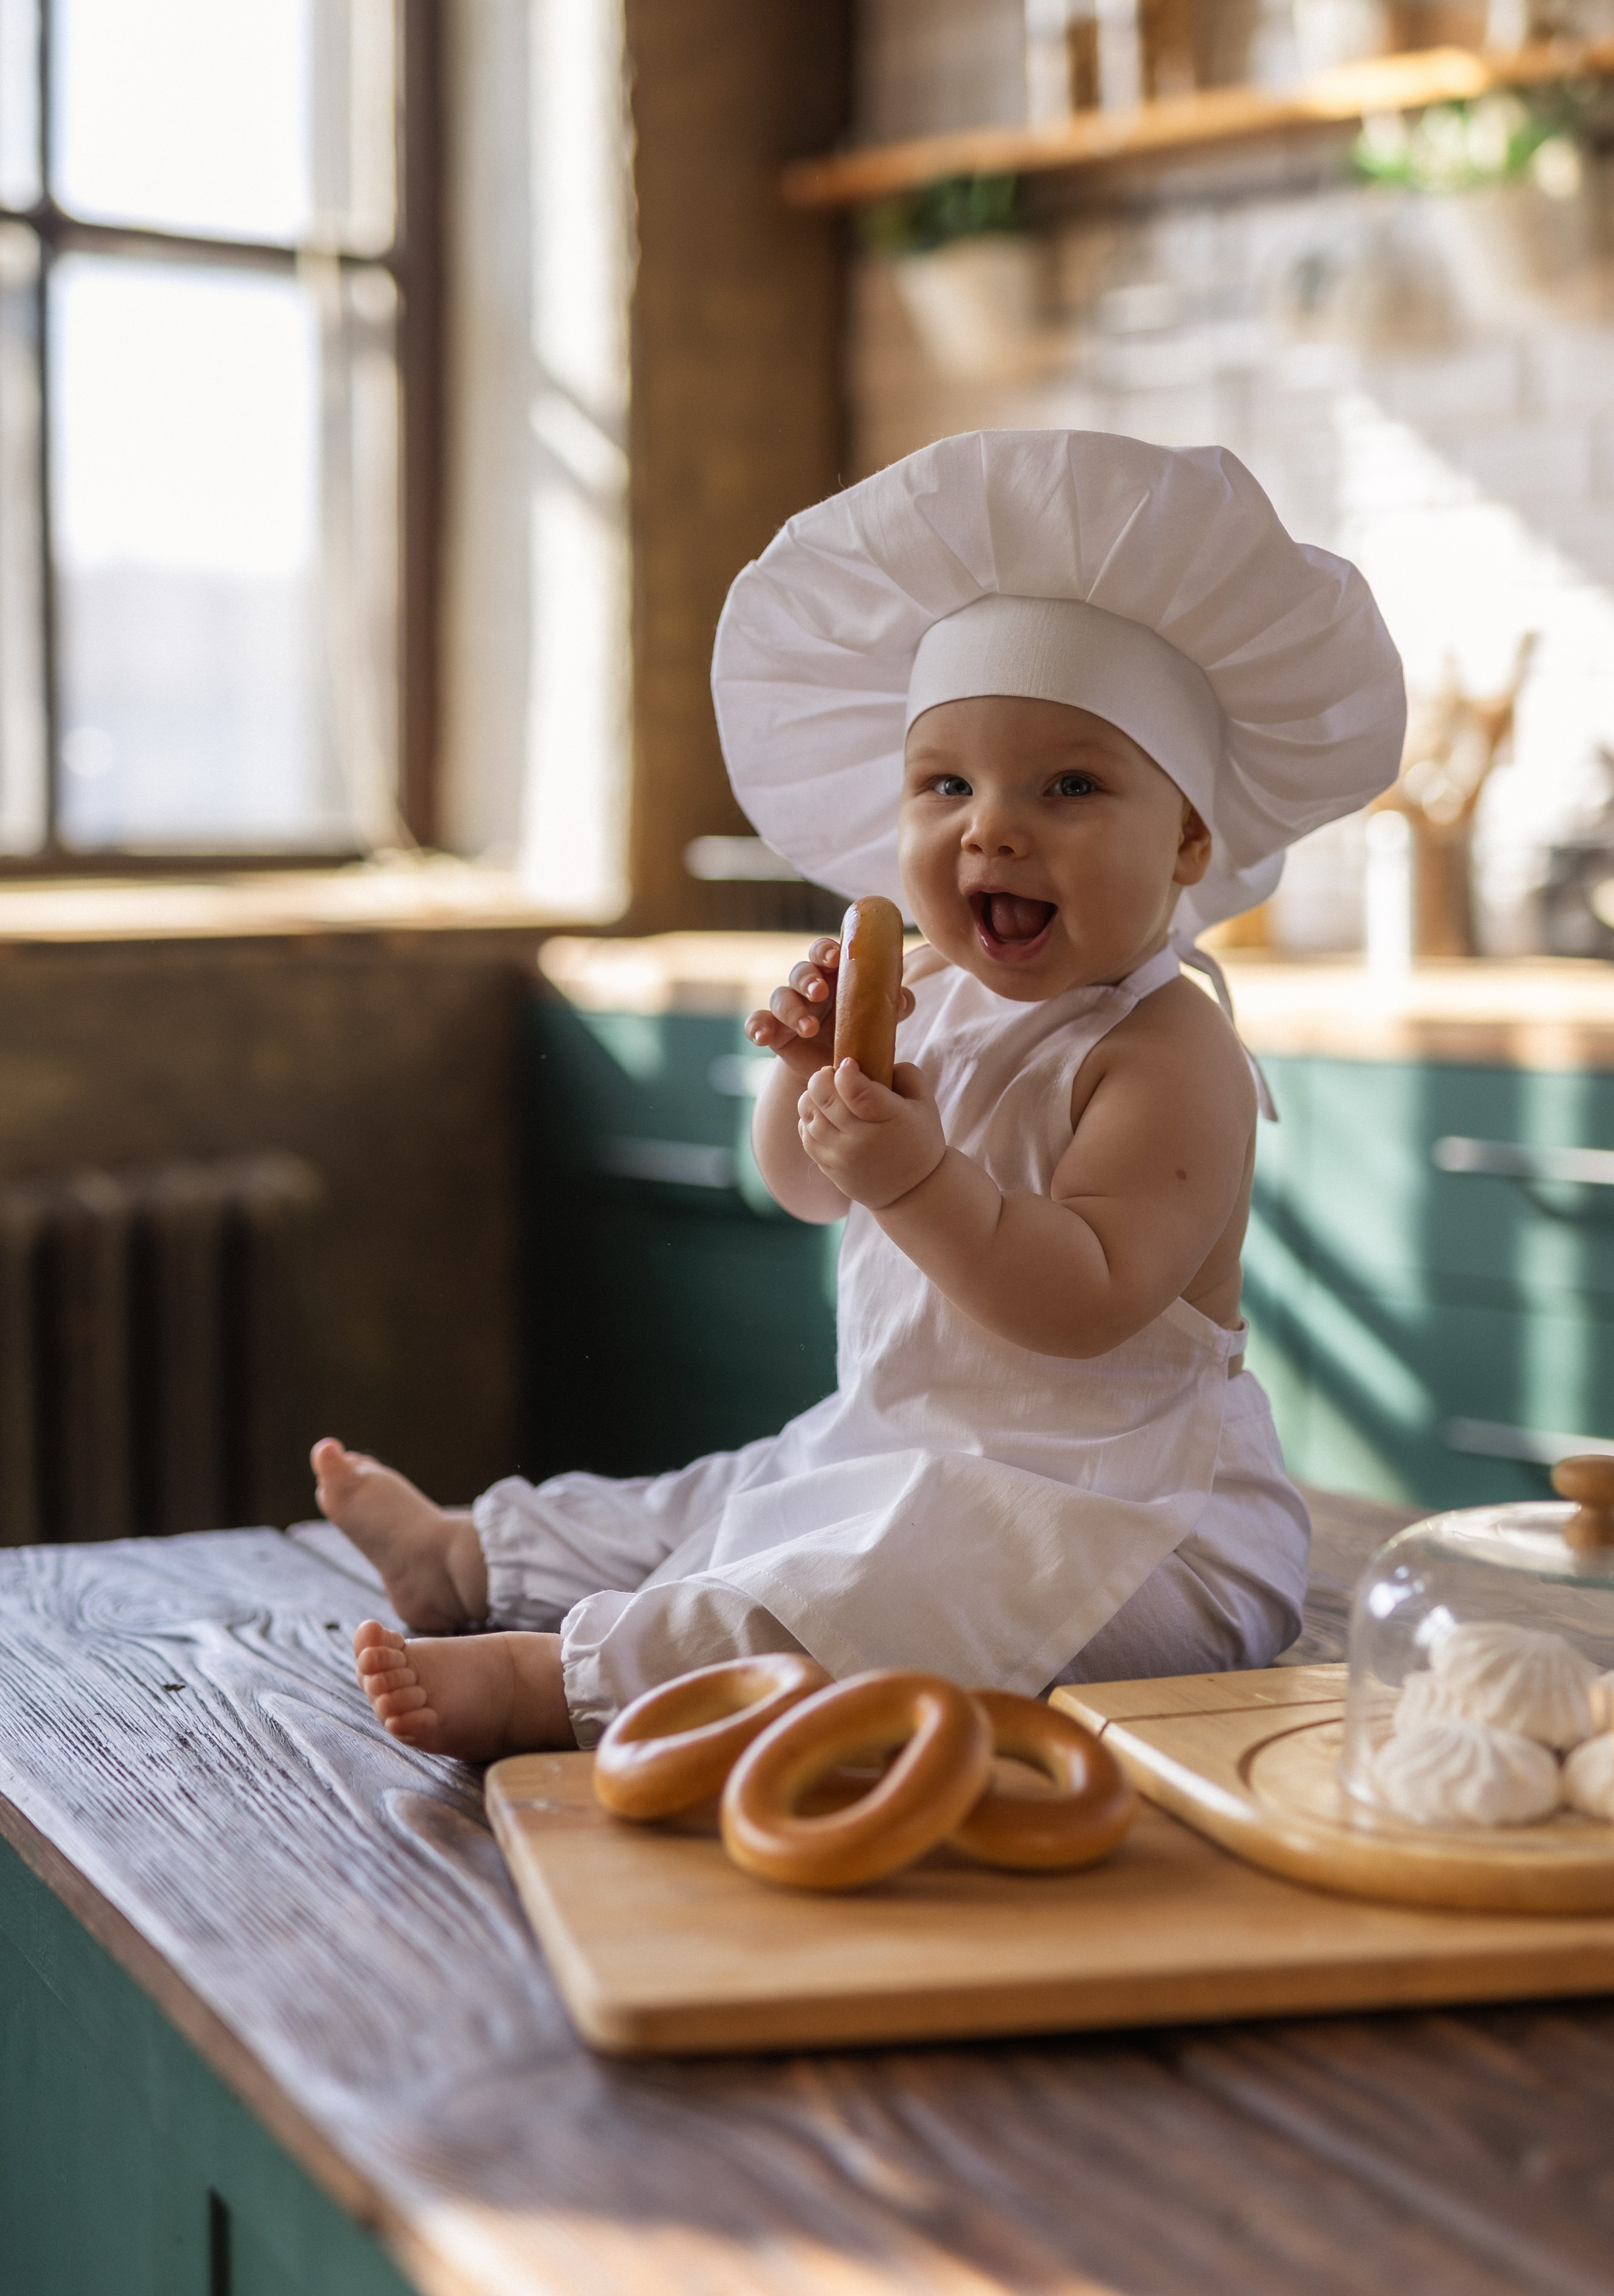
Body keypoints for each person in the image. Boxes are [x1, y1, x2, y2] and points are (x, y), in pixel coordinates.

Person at [322, 428, 1403, 1760]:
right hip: (910, 1452)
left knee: (869, 1586)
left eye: (1068, 785)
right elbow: (792, 1183)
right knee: (740, 1496)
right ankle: (475, 1558)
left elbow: (1080, 1300)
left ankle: (568, 1683)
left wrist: (913, 1175)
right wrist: (807, 1077)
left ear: (1187, 842)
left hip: (1128, 1530)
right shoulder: (924, 997)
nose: (989, 827)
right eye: (943, 784)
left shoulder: (1165, 1054)